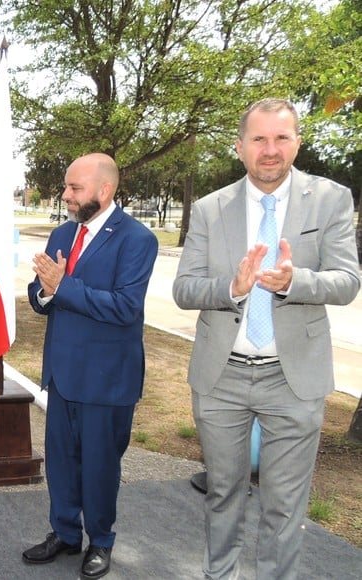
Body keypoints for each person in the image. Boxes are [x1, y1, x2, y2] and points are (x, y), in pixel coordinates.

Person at [172, 98, 360, 580]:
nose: (270, 149)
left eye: (281, 138)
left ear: (298, 142)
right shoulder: (211, 209)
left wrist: (297, 281)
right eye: (259, 139)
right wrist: (231, 289)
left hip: (294, 380)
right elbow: (184, 288)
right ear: (240, 147)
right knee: (223, 496)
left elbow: (346, 280)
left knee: (284, 507)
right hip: (221, 378)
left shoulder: (332, 199)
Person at [24, 153, 158, 579]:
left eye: (74, 188)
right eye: (66, 187)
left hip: (106, 380)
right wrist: (46, 292)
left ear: (104, 191)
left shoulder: (137, 240)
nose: (65, 195)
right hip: (62, 374)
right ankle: (65, 533)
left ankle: (101, 540)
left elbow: (124, 307)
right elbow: (39, 295)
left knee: (100, 467)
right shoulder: (62, 233)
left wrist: (63, 286)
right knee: (61, 462)